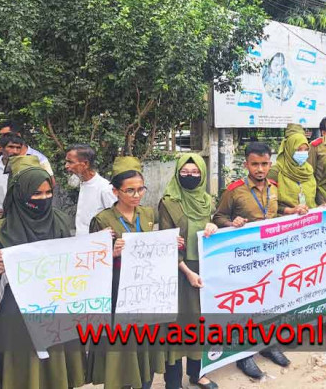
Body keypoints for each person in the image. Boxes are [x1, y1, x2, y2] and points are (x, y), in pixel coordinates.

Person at [0, 155, 88, 389]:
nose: (44, 199)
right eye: (36, 194)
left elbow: (72, 260)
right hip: (18, 309)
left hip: (57, 302)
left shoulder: (60, 221)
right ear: (20, 194)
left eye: (48, 193)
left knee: (57, 366)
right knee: (24, 368)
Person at [88, 156, 175, 389]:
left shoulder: (147, 214)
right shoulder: (102, 219)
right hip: (117, 289)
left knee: (146, 341)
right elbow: (91, 262)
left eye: (140, 189)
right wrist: (110, 252)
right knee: (124, 343)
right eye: (130, 191)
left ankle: (145, 383)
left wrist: (169, 244)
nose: (136, 195)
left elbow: (152, 248)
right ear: (115, 192)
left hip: (145, 289)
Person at [212, 142, 290, 379]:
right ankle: (243, 354)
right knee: (245, 305)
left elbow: (276, 211)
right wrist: (230, 223)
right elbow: (218, 217)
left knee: (269, 301)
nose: (260, 169)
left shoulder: (274, 187)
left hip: (270, 256)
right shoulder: (234, 190)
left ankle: (267, 345)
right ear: (246, 164)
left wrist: (295, 210)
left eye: (264, 164)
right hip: (243, 259)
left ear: (270, 164)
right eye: (255, 164)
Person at [159, 153, 219, 389]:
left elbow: (211, 229)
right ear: (177, 173)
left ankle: (197, 373)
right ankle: (172, 381)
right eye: (185, 172)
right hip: (179, 270)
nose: (190, 177)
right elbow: (166, 241)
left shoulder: (207, 200)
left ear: (203, 174)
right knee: (176, 324)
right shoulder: (168, 202)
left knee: (200, 322)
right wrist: (185, 270)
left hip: (203, 269)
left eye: (196, 173)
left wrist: (213, 225)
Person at [65, 144, 117, 235]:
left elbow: (116, 219)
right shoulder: (82, 182)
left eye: (70, 162)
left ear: (85, 164)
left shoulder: (105, 188)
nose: (66, 166)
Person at [271, 132, 317, 215]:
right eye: (298, 149)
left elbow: (313, 198)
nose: (303, 153)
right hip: (287, 222)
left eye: (306, 150)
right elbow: (268, 203)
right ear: (289, 150)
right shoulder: (276, 171)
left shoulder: (308, 170)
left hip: (310, 220)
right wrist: (291, 210)